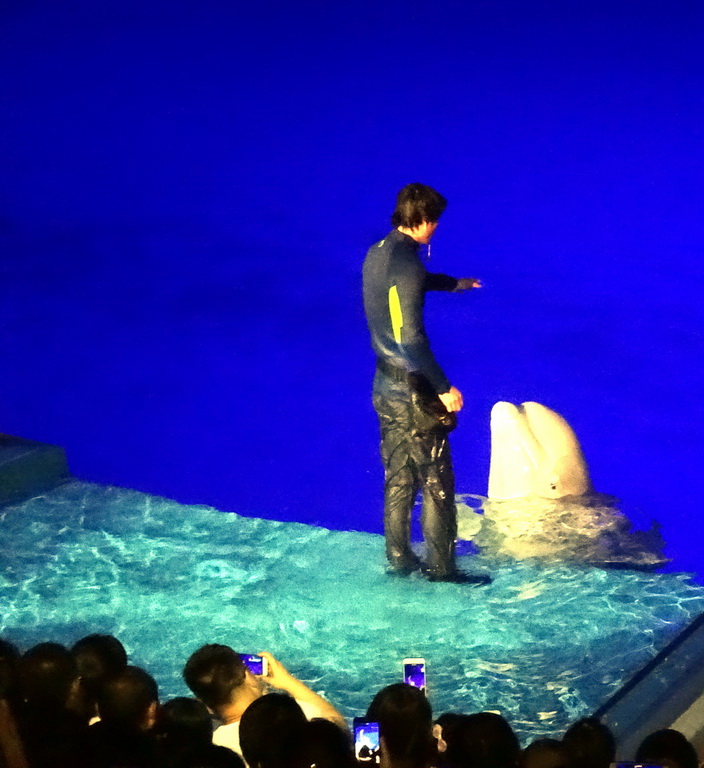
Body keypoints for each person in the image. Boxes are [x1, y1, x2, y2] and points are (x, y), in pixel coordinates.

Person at [362, 182, 486, 583]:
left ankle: (399, 559)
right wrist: (443, 388)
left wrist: (451, 283)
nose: (436, 228)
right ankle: (442, 570)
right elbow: (411, 339)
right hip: (413, 390)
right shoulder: (409, 264)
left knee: (398, 477)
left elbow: (404, 285)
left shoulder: (378, 252)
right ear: (425, 220)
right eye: (435, 221)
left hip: (384, 384)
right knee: (436, 482)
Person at [182, 644, 346, 764]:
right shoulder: (300, 716)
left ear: (202, 701)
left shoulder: (213, 753)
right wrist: (286, 681)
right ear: (247, 675)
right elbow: (339, 727)